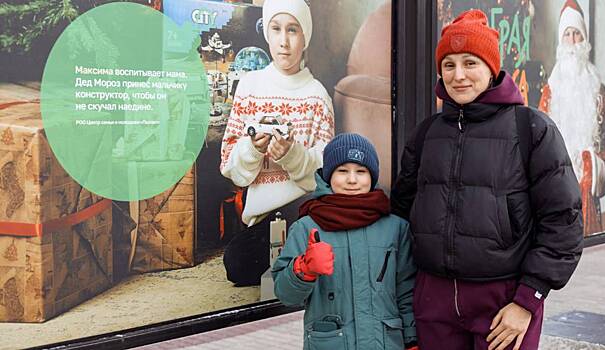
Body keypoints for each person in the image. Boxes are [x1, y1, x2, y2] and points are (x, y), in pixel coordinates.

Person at [391, 9, 583, 350]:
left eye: (470, 63)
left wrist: (528, 299)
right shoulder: (427, 134)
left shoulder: (531, 129)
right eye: (449, 65)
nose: (459, 75)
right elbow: (402, 215)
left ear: (491, 68)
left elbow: (563, 221)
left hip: (504, 303)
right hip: (434, 301)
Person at [220, 0, 334, 286]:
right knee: (237, 263)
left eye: (293, 30)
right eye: (276, 29)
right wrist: (253, 149)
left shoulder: (318, 96)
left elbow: (325, 176)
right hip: (263, 217)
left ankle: (297, 267)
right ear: (266, 34)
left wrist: (292, 155)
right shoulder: (249, 86)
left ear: (305, 37)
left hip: (306, 211)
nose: (284, 41)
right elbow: (229, 167)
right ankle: (298, 267)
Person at [273, 133, 418, 349]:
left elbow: (406, 291)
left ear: (372, 176)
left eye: (361, 171)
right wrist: (303, 270)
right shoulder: (306, 227)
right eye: (342, 171)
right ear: (328, 175)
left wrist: (412, 340)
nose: (352, 180)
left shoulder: (395, 228)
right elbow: (286, 295)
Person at [538, 0, 605, 236]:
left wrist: (592, 165)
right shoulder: (550, 92)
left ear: (585, 40)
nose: (572, 42)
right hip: (556, 199)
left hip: (588, 200)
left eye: (577, 35)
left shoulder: (598, 91)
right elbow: (537, 147)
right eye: (567, 35)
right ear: (561, 41)